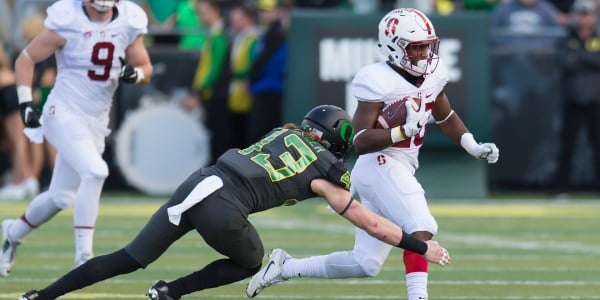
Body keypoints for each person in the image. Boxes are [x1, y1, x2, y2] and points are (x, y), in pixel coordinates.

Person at [17, 104, 451, 300]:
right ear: (338, 140)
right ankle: (172, 292)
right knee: (251, 261)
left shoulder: (284, 132)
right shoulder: (327, 172)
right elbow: (371, 224)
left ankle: (40, 296)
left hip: (199, 182)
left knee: (130, 256)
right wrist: (419, 246)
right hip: (225, 206)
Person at [247, 8, 498, 300]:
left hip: (397, 166)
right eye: (416, 47)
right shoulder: (376, 79)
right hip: (380, 163)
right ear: (394, 46)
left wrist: (472, 145)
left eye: (427, 45)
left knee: (364, 263)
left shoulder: (433, 73)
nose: (424, 53)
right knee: (421, 227)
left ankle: (285, 267)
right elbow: (361, 140)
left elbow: (445, 114)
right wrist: (403, 131)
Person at [0, 0, 153, 277]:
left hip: (96, 120)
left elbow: (144, 66)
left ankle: (12, 231)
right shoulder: (68, 18)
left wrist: (137, 74)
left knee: (60, 197)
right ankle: (84, 257)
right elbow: (26, 57)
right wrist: (25, 103)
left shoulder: (129, 20)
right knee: (96, 171)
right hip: (63, 111)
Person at [552, 0, 600, 195]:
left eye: (587, 14)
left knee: (598, 146)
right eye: (580, 14)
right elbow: (564, 63)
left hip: (596, 100)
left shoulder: (596, 38)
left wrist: (579, 55)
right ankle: (560, 188)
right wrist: (589, 58)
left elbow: (578, 60)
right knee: (567, 147)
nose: (583, 18)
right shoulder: (566, 39)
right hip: (572, 99)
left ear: (593, 17)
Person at [181, 0, 232, 164]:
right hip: (212, 95)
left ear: (216, 11)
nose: (201, 17)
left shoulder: (220, 37)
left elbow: (214, 71)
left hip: (217, 97)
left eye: (204, 12)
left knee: (219, 138)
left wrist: (198, 92)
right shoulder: (214, 35)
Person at [0, 41, 39, 201]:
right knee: (17, 141)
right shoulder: (6, 65)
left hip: (9, 97)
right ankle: (27, 178)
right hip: (10, 95)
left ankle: (19, 181)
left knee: (19, 141)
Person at [247, 0, 290, 143]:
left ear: (277, 11)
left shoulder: (277, 34)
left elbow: (264, 62)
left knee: (265, 134)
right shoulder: (268, 33)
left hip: (271, 90)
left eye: (266, 10)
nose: (263, 14)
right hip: (264, 89)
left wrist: (251, 79)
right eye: (261, 11)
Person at [228, 3, 259, 148]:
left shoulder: (254, 39)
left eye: (236, 18)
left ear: (247, 19)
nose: (232, 21)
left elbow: (253, 65)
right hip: (237, 94)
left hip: (248, 94)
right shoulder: (240, 37)